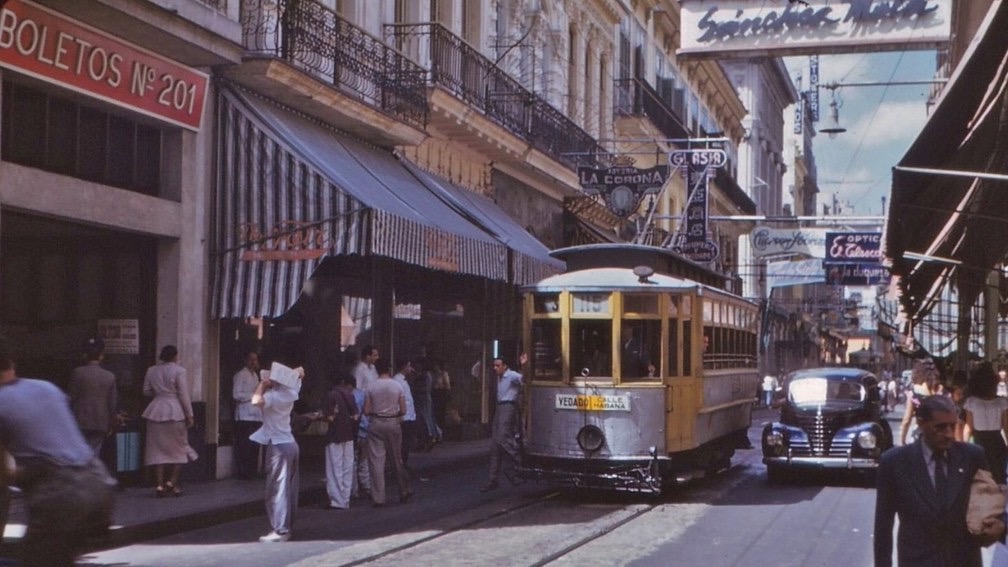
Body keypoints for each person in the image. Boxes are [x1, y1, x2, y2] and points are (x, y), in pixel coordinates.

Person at [0, 336, 117, 567]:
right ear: (12, 364)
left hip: (60, 496)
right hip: (98, 485)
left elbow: (5, 472)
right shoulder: (46, 388)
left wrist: (21, 477)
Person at [874, 395, 1005, 566]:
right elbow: (883, 527)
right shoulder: (894, 463)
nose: (949, 434)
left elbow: (991, 503)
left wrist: (1000, 525)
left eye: (953, 426)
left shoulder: (972, 457)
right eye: (941, 427)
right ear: (921, 423)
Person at [250, 363, 304, 542]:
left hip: (279, 446)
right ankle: (287, 526)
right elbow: (301, 372)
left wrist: (263, 385)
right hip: (291, 442)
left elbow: (255, 401)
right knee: (290, 488)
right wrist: (289, 374)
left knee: (277, 488)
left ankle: (280, 529)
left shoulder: (273, 397)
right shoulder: (291, 393)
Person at [141, 345, 198, 498]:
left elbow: (146, 391)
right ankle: (172, 482)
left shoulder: (151, 370)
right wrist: (190, 415)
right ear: (175, 356)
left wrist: (159, 393)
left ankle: (159, 484)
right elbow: (183, 394)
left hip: (155, 411)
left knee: (157, 449)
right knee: (179, 448)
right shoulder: (179, 371)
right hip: (175, 411)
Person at [364, 358, 412, 507]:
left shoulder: (371, 387)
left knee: (376, 462)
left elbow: (366, 410)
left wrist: (377, 411)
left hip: (376, 423)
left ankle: (379, 498)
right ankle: (403, 490)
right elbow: (403, 409)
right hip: (393, 422)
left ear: (377, 370)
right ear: (389, 370)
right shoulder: (397, 386)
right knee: (396, 459)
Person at [481, 354, 526, 492]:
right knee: (495, 445)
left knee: (503, 436)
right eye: (494, 365)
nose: (495, 368)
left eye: (498, 365)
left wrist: (524, 366)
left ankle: (519, 458)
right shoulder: (499, 378)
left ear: (505, 366)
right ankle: (492, 479)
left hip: (508, 406)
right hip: (500, 406)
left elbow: (524, 380)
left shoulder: (511, 375)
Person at [67, 337, 118, 455]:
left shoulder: (77, 373)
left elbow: (71, 397)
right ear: (101, 356)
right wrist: (112, 422)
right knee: (95, 453)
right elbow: (112, 402)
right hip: (100, 421)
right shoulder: (110, 376)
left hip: (80, 419)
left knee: (78, 452)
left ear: (84, 355)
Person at [963, 362, 1008, 485]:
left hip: (979, 441)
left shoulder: (971, 402)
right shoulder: (1002, 403)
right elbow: (1006, 427)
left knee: (980, 477)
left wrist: (963, 446)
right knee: (998, 476)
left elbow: (968, 427)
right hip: (997, 442)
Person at [321, 371, 358, 510]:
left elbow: (329, 418)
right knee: (347, 467)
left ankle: (337, 501)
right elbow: (355, 416)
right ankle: (346, 498)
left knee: (334, 468)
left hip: (335, 434)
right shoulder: (350, 395)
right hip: (349, 435)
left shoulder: (331, 395)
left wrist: (321, 416)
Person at [232, 350, 263, 479]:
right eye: (251, 359)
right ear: (246, 360)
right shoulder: (240, 375)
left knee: (254, 445)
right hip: (244, 415)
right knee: (244, 444)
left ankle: (252, 471)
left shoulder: (256, 376)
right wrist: (253, 396)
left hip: (256, 415)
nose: (253, 362)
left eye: (255, 359)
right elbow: (236, 395)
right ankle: (243, 472)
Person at [899, 362, 937, 446]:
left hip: (920, 433)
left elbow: (906, 420)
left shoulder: (914, 393)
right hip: (938, 433)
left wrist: (902, 440)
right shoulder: (939, 391)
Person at [391, 358, 418, 464]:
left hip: (409, 415)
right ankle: (401, 464)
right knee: (402, 443)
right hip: (403, 417)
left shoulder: (404, 380)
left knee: (406, 442)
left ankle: (403, 463)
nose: (411, 368)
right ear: (404, 366)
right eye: (409, 365)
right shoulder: (397, 381)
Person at [430, 357, 451, 437]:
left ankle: (441, 431)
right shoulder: (432, 374)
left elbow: (447, 385)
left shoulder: (443, 374)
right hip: (434, 394)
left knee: (441, 413)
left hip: (441, 394)